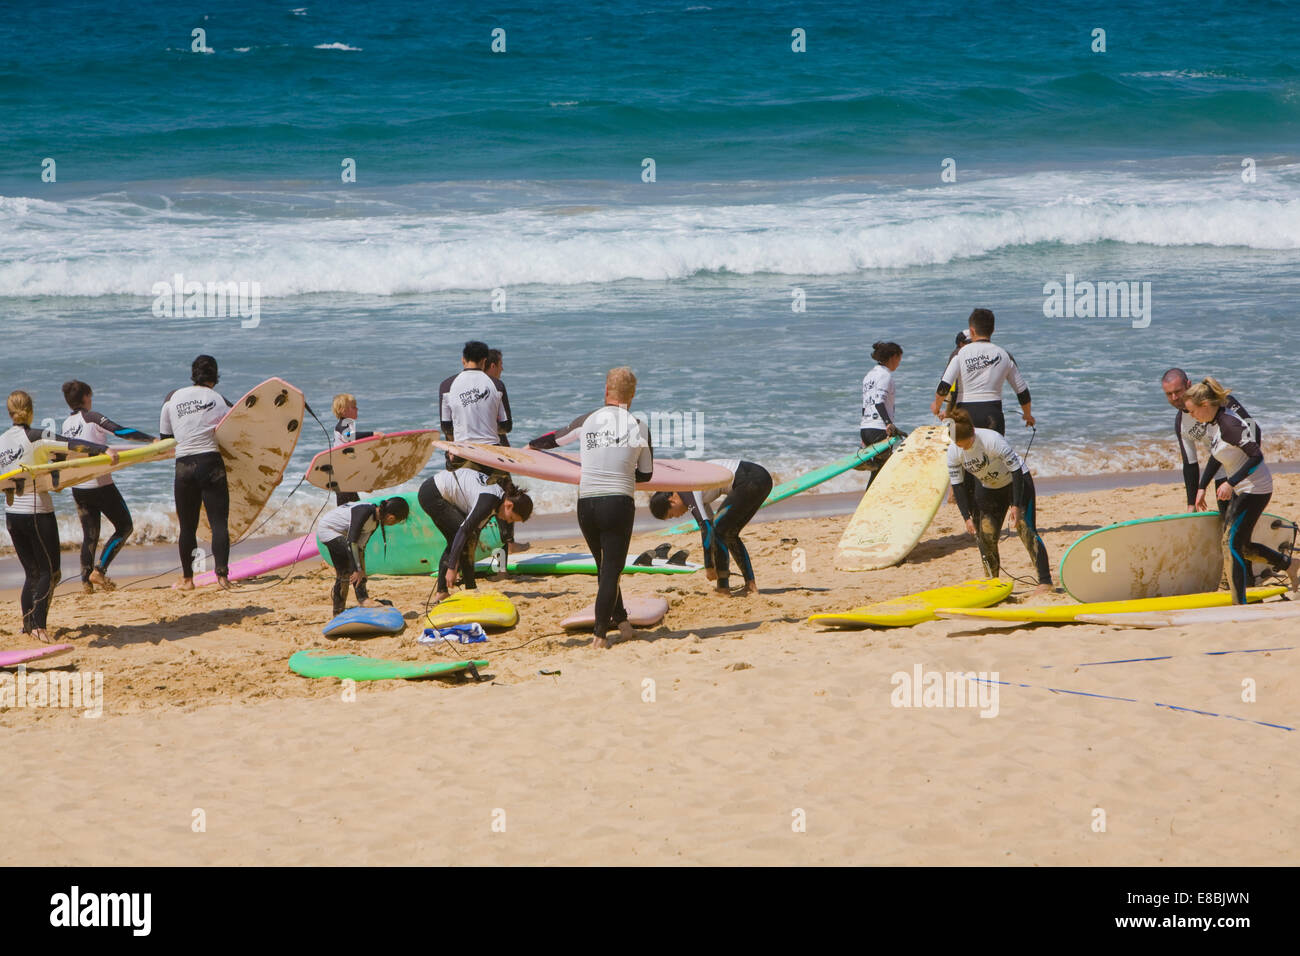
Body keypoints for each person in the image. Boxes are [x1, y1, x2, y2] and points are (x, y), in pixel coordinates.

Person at [1, 390, 113, 642]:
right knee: (49, 572)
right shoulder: (37, 436)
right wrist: (104, 449)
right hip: (37, 513)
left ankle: (28, 626)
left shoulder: (2, 441)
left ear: (9, 413)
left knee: (32, 573)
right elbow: (73, 445)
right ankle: (40, 627)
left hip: (12, 515)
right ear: (31, 410)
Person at [555, 368, 653, 648]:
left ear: (606, 390)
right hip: (617, 503)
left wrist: (526, 450)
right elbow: (646, 474)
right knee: (611, 569)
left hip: (585, 502)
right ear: (632, 396)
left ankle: (622, 622)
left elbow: (554, 440)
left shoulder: (587, 420)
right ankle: (599, 635)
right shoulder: (639, 426)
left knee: (604, 566)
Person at [1184, 378, 1298, 603]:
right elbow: (1218, 456)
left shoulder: (1229, 425)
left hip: (1255, 489)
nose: (1191, 416)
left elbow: (1257, 456)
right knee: (1242, 545)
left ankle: (1240, 603)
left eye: (1192, 411)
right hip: (1244, 488)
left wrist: (1230, 482)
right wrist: (1201, 487)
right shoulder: (1215, 422)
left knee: (1230, 543)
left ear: (1205, 405)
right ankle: (1290, 564)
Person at [60, 379, 156, 592]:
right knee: (125, 527)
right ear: (86, 397)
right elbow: (120, 431)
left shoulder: (66, 424)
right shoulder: (92, 417)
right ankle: (99, 571)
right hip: (100, 485)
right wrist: (150, 440)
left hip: (78, 487)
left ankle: (86, 582)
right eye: (90, 396)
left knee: (90, 535)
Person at [946, 409, 1052, 592]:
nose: (965, 448)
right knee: (985, 535)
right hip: (989, 487)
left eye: (967, 444)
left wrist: (1016, 505)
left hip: (1016, 482)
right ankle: (992, 582)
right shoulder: (954, 451)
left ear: (973, 433)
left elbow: (1016, 471)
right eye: (960, 445)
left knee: (1024, 529)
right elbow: (958, 486)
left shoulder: (992, 440)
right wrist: (966, 517)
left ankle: (1045, 581)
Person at [159, 354, 233, 590]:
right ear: (215, 375)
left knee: (187, 527)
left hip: (184, 466)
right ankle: (221, 577)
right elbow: (236, 433)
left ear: (193, 374)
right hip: (211, 463)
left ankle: (188, 579)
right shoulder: (219, 399)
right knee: (219, 523)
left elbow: (165, 439)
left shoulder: (173, 399)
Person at [648, 460, 772, 596]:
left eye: (672, 514)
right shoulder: (694, 493)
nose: (677, 516)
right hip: (761, 478)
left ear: (672, 500)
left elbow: (706, 529)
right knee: (728, 533)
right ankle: (750, 585)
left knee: (721, 530)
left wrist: (709, 566)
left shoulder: (686, 491)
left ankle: (723, 588)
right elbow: (709, 527)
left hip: (750, 478)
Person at [417, 468, 533, 602]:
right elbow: (463, 531)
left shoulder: (495, 504)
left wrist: (462, 559)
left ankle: (462, 589)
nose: (508, 521)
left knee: (465, 540)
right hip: (432, 493)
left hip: (438, 492)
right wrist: (452, 567)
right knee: (458, 537)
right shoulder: (489, 501)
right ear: (509, 505)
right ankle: (458, 589)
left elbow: (471, 536)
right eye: (511, 518)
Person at [1161, 368, 1257, 515]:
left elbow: (1253, 427)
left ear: (1188, 384)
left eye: (1178, 391)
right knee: (1227, 519)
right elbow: (1190, 465)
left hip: (1244, 468)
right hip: (1220, 472)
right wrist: (1191, 505)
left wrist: (1252, 464)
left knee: (1241, 519)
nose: (1174, 397)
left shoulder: (1217, 401)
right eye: (1169, 394)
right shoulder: (1181, 423)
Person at [931, 308, 1034, 434]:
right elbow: (1022, 391)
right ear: (993, 330)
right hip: (993, 415)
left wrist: (937, 406)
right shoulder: (1004, 355)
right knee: (992, 452)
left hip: (965, 416)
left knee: (964, 452)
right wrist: (1028, 415)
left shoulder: (960, 354)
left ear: (972, 331)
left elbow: (944, 386)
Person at [316, 497, 409, 616]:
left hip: (342, 534)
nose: (394, 523)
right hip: (328, 530)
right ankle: (357, 602)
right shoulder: (365, 512)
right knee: (347, 570)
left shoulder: (375, 522)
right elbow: (351, 543)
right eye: (396, 521)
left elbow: (360, 549)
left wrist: (362, 570)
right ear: (391, 517)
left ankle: (347, 607)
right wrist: (357, 569)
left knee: (348, 571)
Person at [856, 341, 904, 485]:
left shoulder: (869, 376)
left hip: (866, 428)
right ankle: (876, 503)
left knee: (878, 472)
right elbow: (879, 402)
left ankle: (868, 503)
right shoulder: (885, 376)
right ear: (893, 357)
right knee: (885, 471)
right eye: (899, 359)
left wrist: (865, 431)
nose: (899, 363)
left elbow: (865, 406)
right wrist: (888, 424)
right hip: (879, 429)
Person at [329, 393, 383, 506]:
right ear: (343, 411)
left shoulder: (348, 424)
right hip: (341, 474)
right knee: (348, 507)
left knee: (352, 505)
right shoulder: (342, 425)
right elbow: (349, 436)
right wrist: (372, 434)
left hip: (345, 472)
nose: (357, 409)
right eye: (353, 407)